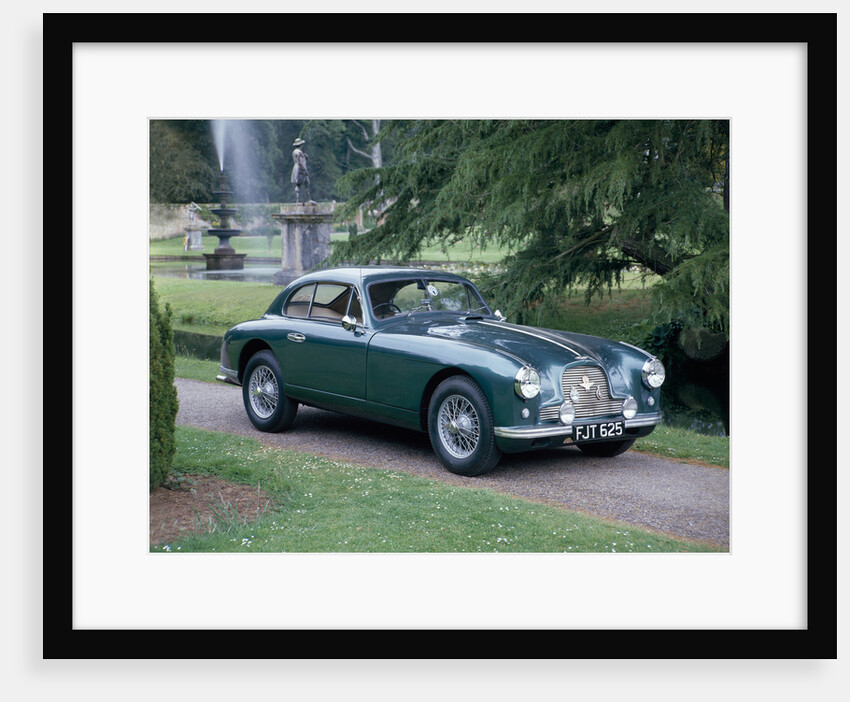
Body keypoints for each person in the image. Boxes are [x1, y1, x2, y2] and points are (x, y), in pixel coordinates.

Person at [291, 137, 311, 204]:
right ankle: (308, 199)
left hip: (295, 168)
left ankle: (298, 199)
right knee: (307, 182)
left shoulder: (294, 152)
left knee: (298, 185)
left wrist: (305, 156)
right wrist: (304, 169)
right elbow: (300, 161)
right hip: (300, 169)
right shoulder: (299, 152)